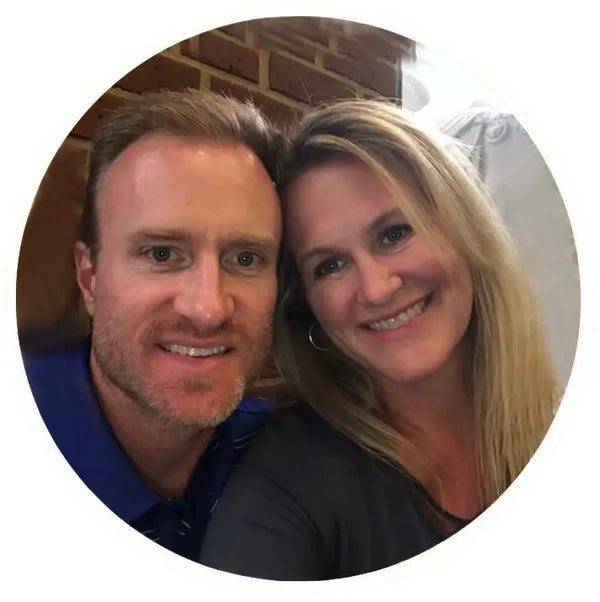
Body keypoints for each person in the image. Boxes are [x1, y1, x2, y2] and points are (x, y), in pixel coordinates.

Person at [199, 99, 561, 579]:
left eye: (394, 234)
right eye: (330, 265)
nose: (376, 289)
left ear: (464, 229)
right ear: (308, 308)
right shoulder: (289, 479)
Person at [23, 89, 282, 560]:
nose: (208, 308)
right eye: (162, 254)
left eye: (245, 258)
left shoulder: (282, 457)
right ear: (89, 279)